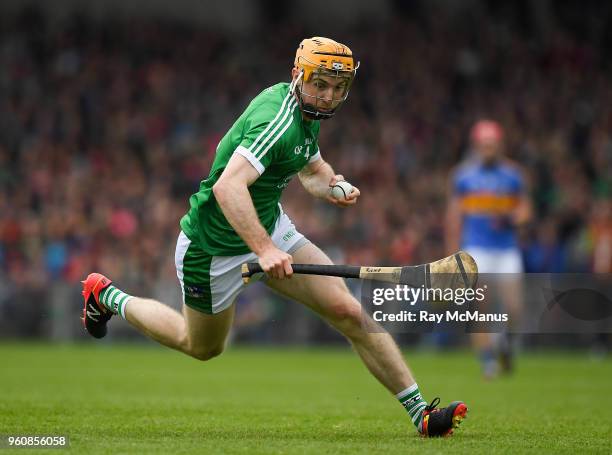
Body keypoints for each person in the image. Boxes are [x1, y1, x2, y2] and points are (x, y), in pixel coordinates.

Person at [81, 37, 467, 437]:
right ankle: (106, 296)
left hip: (270, 229)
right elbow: (228, 188)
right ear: (298, 75)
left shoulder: (307, 113)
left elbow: (311, 168)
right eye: (320, 84)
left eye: (337, 88)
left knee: (348, 311)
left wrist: (332, 185)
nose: (327, 96)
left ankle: (420, 413)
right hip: (213, 248)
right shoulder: (276, 119)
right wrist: (263, 250)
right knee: (200, 346)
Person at [446, 119, 532, 378]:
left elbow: (526, 210)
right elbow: (453, 217)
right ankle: (487, 361)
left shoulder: (514, 175)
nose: (488, 149)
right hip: (476, 248)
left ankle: (505, 344)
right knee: (478, 307)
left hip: (506, 249)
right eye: (484, 145)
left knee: (514, 308)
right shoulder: (463, 176)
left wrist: (515, 218)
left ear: (499, 145)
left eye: (492, 144)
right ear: (476, 145)